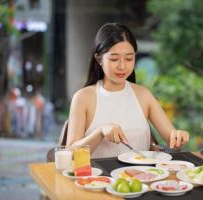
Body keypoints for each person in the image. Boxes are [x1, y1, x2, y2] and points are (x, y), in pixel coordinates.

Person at [66, 23, 189, 158]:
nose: (122, 66)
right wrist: (100, 132)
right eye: (114, 59)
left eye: (129, 58)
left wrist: (178, 137)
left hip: (141, 176)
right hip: (98, 178)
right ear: (99, 59)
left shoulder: (144, 95)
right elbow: (70, 154)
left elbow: (173, 142)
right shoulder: (83, 98)